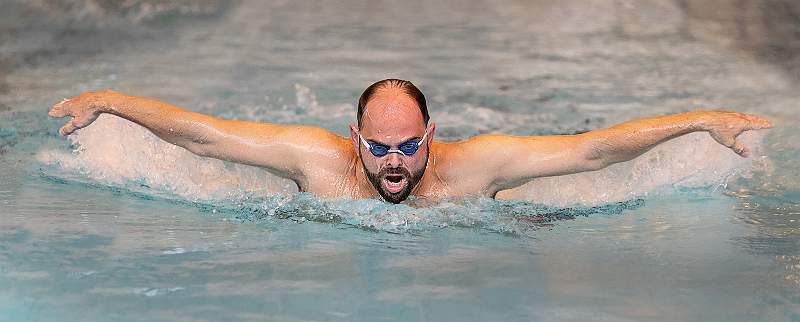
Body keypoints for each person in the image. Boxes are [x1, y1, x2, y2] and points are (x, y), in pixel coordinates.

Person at [48, 79, 773, 204]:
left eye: (406, 147)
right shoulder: (317, 161)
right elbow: (205, 138)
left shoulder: (475, 168)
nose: (393, 164)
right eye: (377, 149)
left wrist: (701, 118)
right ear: (354, 138)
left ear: (431, 136)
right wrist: (106, 102)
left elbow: (592, 151)